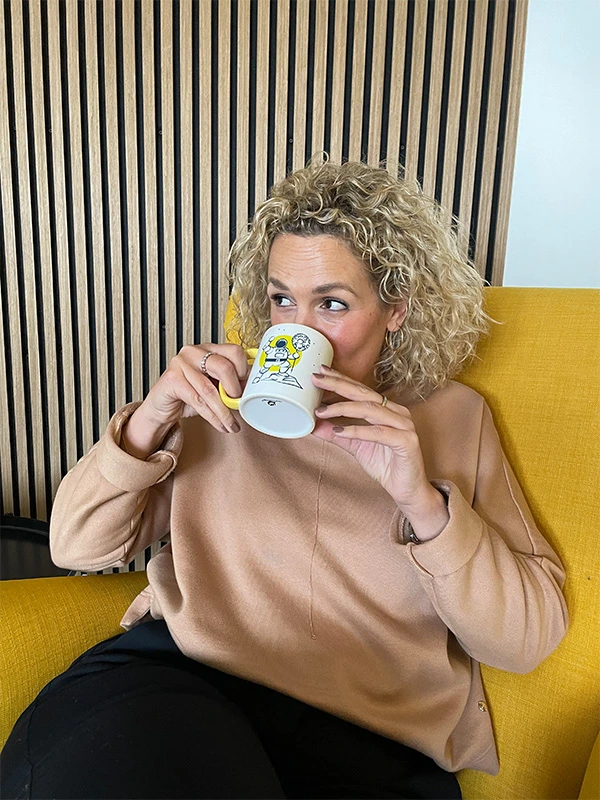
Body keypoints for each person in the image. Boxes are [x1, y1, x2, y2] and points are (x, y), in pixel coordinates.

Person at [0, 160, 568, 800]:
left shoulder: (453, 419)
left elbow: (524, 641)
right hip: (179, 688)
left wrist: (424, 502)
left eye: (331, 303)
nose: (295, 330)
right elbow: (74, 546)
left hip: (368, 747)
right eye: (280, 300)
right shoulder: (223, 400)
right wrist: (150, 420)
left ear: (396, 310)